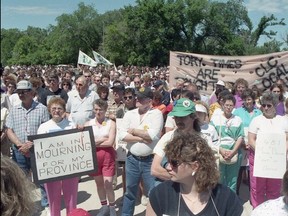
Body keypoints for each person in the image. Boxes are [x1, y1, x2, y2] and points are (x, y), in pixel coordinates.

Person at [146, 132, 243, 216]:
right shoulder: (159, 195)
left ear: (195, 166)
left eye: (174, 163)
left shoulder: (226, 199)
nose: (168, 167)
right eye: (168, 162)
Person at [118, 86, 164, 216]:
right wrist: (141, 137)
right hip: (132, 159)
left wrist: (133, 131)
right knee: (129, 192)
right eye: (137, 96)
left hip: (149, 160)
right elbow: (121, 135)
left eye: (142, 98)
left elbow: (152, 135)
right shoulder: (129, 114)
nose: (137, 99)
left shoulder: (156, 114)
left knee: (153, 192)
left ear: (149, 101)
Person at [5, 80, 50, 211]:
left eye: (23, 92)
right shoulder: (14, 110)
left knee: (41, 178)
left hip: (37, 149)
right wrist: (20, 144)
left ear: (31, 93)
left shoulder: (41, 109)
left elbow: (45, 128)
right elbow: (9, 130)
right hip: (19, 151)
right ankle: (26, 206)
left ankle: (46, 203)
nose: (20, 95)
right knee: (22, 181)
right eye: (18, 92)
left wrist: (32, 143)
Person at [36, 97, 79, 216]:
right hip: (51, 168)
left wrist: (81, 131)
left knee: (71, 197)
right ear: (49, 110)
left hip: (70, 167)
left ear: (64, 110)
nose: (56, 111)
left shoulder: (72, 125)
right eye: (53, 108)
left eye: (59, 108)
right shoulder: (43, 127)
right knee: (53, 199)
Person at [248, 92, 288, 208]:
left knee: (275, 188)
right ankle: (258, 210)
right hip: (258, 159)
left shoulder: (283, 121)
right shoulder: (256, 120)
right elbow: (251, 140)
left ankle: (273, 211)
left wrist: (280, 153)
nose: (265, 108)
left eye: (269, 105)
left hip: (276, 161)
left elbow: (286, 139)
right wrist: (263, 153)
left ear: (275, 105)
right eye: (264, 105)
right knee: (257, 188)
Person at [151, 98, 201, 186]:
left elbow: (207, 172)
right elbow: (155, 169)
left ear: (193, 117)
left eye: (183, 117)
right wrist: (184, 180)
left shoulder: (204, 140)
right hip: (169, 189)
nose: (179, 120)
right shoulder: (168, 137)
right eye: (176, 117)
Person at [84, 99, 117, 216]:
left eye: (101, 110)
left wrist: (94, 142)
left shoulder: (111, 123)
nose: (98, 112)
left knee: (108, 184)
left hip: (108, 156)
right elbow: (86, 142)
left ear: (105, 110)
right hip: (94, 157)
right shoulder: (88, 124)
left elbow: (110, 142)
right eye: (96, 109)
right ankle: (104, 206)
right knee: (99, 184)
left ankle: (112, 207)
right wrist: (102, 139)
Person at [210, 93, 244, 193]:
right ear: (222, 105)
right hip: (219, 151)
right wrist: (220, 150)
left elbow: (240, 137)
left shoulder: (238, 120)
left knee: (232, 180)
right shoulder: (215, 119)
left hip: (234, 151)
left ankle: (230, 202)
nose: (228, 107)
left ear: (234, 106)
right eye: (226, 105)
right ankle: (219, 200)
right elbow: (212, 137)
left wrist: (233, 151)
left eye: (231, 105)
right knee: (219, 179)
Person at [233, 89, 262, 195]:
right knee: (239, 171)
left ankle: (252, 195)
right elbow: (235, 128)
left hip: (254, 146)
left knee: (252, 172)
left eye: (249, 99)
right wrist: (241, 143)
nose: (247, 102)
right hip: (240, 146)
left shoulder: (259, 112)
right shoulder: (237, 112)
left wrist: (253, 143)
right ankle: (236, 194)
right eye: (245, 100)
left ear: (253, 99)